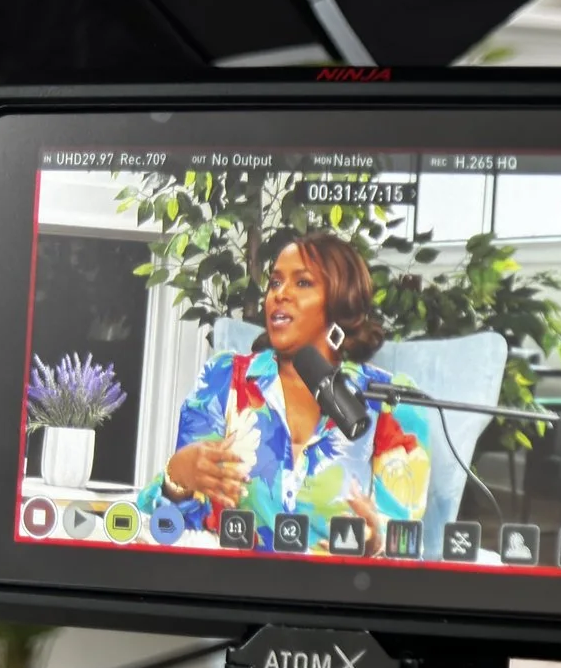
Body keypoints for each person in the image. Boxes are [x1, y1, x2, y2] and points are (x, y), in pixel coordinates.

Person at [140, 230, 433, 554]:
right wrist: (177, 479)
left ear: (341, 302)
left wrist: (376, 541)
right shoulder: (224, 380)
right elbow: (170, 530)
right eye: (275, 282)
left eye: (302, 283)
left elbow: (406, 544)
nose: (280, 294)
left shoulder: (388, 402)